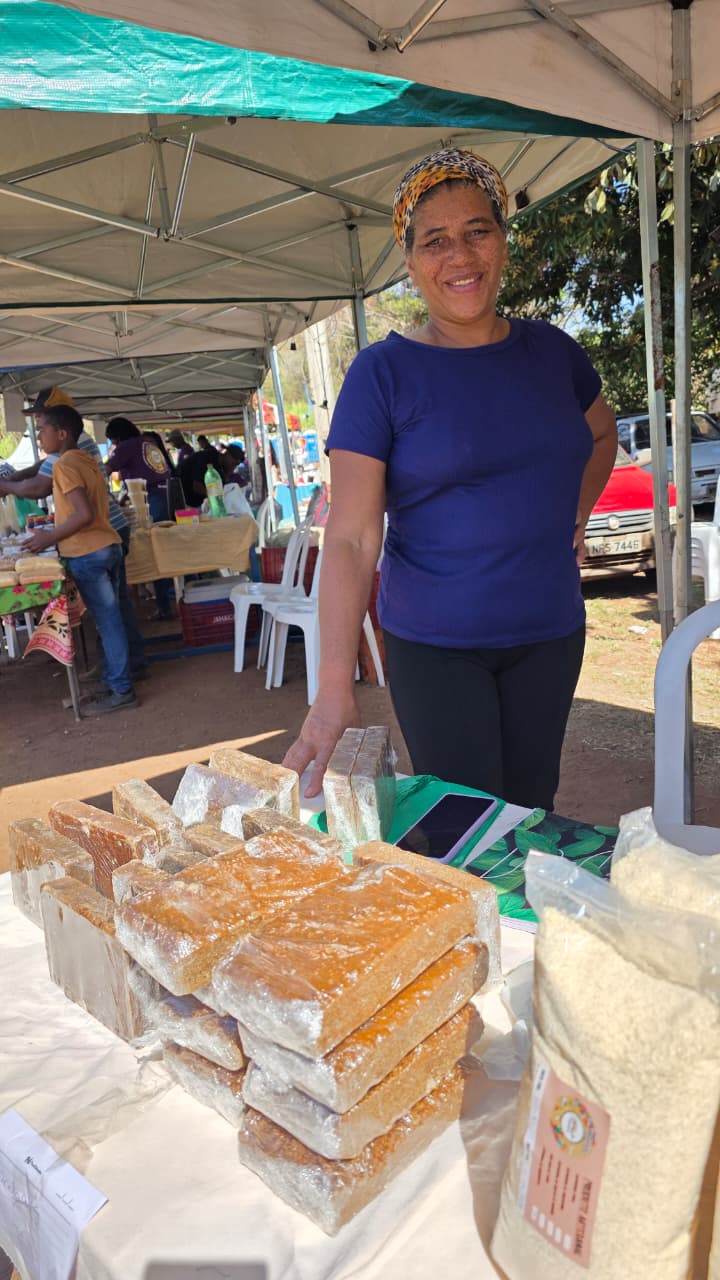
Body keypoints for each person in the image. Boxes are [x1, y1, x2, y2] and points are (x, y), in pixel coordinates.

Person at [284, 148, 618, 812]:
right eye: (435, 241)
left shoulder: (553, 352)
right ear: (411, 265)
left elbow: (602, 436)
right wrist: (333, 689)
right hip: (436, 645)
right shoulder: (382, 374)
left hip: (550, 634)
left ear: (503, 242)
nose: (460, 255)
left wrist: (575, 516)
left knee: (533, 810)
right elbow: (350, 537)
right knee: (466, 824)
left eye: (477, 231)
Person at [0, 388, 146, 675]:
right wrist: (13, 479)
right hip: (107, 535)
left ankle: (119, 679)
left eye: (41, 422)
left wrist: (8, 487)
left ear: (61, 428)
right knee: (114, 612)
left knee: (109, 618)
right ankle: (123, 668)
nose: (38, 430)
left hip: (92, 542)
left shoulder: (66, 460)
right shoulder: (77, 452)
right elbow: (39, 468)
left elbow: (42, 488)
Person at [24, 405, 138, 715]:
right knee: (112, 619)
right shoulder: (87, 459)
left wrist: (50, 537)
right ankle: (115, 680)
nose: (39, 437)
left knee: (108, 623)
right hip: (107, 544)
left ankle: (121, 688)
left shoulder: (64, 465)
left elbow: (83, 514)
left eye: (43, 430)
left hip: (88, 551)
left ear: (62, 434)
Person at [105, 416, 175, 620]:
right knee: (164, 548)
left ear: (117, 436)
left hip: (151, 500)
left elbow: (105, 469)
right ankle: (172, 599)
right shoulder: (146, 443)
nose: (113, 444)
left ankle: (164, 604)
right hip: (167, 496)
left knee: (152, 550)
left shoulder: (127, 446)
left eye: (112, 440)